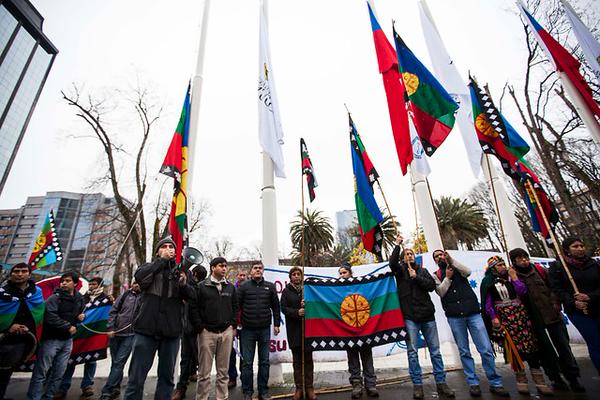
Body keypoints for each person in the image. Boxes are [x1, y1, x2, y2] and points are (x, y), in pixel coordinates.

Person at [431, 250, 509, 397]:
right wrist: (447, 278)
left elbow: (468, 272)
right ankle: (473, 383)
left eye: (441, 254)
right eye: (436, 256)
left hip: (473, 313)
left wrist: (452, 261)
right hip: (455, 317)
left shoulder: (457, 267)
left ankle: (495, 382)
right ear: (435, 260)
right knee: (464, 351)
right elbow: (440, 292)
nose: (440, 257)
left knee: (485, 349)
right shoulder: (436, 275)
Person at [123, 237, 193, 400]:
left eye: (171, 247)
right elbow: (141, 277)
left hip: (171, 332)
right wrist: (161, 262)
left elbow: (193, 296)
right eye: (164, 247)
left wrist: (183, 284)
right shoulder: (149, 267)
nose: (168, 249)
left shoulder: (182, 271)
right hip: (146, 330)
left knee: (167, 378)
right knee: (136, 377)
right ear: (157, 252)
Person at [510, 247, 584, 392]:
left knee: (563, 347)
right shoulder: (512, 276)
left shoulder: (540, 270)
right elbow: (519, 294)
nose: (524, 261)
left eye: (526, 257)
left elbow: (553, 288)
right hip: (534, 320)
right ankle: (555, 378)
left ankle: (573, 377)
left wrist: (556, 303)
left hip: (553, 314)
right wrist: (514, 278)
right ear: (514, 261)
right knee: (545, 351)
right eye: (520, 259)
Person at [389, 237, 454, 400]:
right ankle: (417, 385)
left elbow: (431, 287)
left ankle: (441, 383)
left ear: (414, 257)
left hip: (427, 316)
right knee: (412, 352)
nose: (409, 256)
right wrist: (397, 245)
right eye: (406, 254)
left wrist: (416, 276)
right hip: (410, 317)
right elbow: (391, 263)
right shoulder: (400, 271)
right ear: (403, 258)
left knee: (435, 351)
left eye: (411, 253)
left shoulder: (423, 271)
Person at [480, 255, 553, 396]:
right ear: (492, 268)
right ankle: (521, 380)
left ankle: (540, 381)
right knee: (514, 349)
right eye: (499, 265)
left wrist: (514, 278)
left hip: (520, 316)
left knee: (530, 346)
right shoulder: (488, 282)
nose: (502, 267)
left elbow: (522, 292)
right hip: (505, 318)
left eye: (503, 264)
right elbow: (488, 302)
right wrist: (493, 317)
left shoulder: (511, 278)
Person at [27, 271, 85, 400]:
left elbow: (79, 314)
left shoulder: (79, 298)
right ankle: (33, 397)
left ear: (75, 283)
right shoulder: (54, 298)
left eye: (68, 281)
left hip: (67, 341)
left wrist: (80, 317)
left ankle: (49, 396)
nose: (64, 283)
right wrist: (67, 326)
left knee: (59, 372)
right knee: (41, 372)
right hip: (51, 340)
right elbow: (50, 316)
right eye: (62, 281)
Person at [549, 237, 600, 376]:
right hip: (578, 312)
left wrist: (590, 296)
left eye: (581, 245)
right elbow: (557, 289)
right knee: (595, 342)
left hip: (597, 306)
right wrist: (573, 301)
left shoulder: (593, 264)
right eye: (575, 246)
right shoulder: (559, 267)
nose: (580, 248)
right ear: (567, 250)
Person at [56, 277, 112, 399]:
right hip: (79, 333)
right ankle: (63, 387)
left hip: (94, 335)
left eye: (94, 284)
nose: (91, 286)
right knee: (71, 360)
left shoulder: (106, 299)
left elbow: (110, 314)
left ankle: (87, 385)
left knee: (91, 360)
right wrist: (78, 316)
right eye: (90, 284)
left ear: (100, 285)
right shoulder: (82, 298)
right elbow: (73, 311)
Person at [190, 257, 238, 400]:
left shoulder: (230, 287)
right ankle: (202, 398)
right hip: (207, 333)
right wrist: (200, 328)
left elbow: (236, 307)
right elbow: (193, 308)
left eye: (225, 266)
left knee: (223, 372)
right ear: (212, 268)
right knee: (204, 373)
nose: (224, 268)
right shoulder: (201, 286)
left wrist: (232, 325)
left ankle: (222, 397)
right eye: (221, 266)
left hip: (226, 333)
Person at [0, 263, 44, 400]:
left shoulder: (36, 293)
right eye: (16, 271)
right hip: (3, 338)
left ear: (29, 275)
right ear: (11, 273)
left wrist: (27, 327)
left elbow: (38, 312)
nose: (20, 274)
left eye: (24, 271)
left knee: (6, 372)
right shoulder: (2, 292)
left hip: (21, 341)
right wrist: (9, 327)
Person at [238, 262, 281, 400]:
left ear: (263, 271)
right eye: (255, 268)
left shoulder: (270, 286)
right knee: (247, 363)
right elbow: (236, 307)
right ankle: (247, 392)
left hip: (264, 330)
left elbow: (276, 307)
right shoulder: (244, 287)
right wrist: (235, 325)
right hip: (247, 331)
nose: (258, 270)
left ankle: (263, 391)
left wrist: (276, 323)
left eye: (260, 268)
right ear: (251, 271)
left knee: (264, 361)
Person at [338, 263, 378, 399]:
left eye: (344, 273)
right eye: (340, 273)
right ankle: (356, 385)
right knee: (353, 359)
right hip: (348, 331)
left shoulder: (361, 286)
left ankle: (371, 385)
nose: (342, 276)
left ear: (350, 273)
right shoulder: (336, 289)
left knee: (367, 357)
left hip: (364, 329)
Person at [99, 281, 141, 400]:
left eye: (138, 283)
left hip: (130, 335)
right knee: (115, 362)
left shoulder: (144, 298)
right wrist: (111, 327)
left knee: (119, 362)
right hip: (116, 333)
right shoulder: (125, 295)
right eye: (134, 282)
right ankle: (116, 386)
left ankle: (106, 391)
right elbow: (113, 311)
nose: (136, 285)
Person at [281, 266, 316, 400]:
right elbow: (283, 308)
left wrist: (308, 305)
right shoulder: (286, 291)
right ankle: (299, 388)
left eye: (298, 274)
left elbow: (316, 305)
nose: (296, 276)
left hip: (308, 330)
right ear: (290, 277)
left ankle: (309, 387)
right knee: (297, 361)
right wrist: (297, 312)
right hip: (294, 331)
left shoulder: (307, 290)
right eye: (294, 274)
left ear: (302, 276)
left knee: (308, 360)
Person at [172, 264, 207, 400]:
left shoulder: (198, 288)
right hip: (190, 329)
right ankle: (182, 387)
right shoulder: (190, 286)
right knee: (187, 359)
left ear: (196, 275)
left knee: (190, 359)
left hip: (196, 329)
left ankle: (183, 387)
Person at [228, 269, 247, 389]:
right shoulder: (230, 289)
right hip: (233, 326)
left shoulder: (249, 289)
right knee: (231, 353)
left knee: (244, 353)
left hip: (245, 326)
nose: (242, 277)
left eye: (244, 275)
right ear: (237, 276)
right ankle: (232, 377)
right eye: (240, 275)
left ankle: (244, 377)